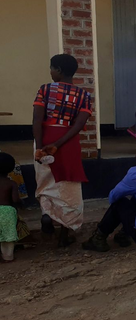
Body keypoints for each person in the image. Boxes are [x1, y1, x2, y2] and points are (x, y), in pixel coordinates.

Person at [33, 54, 92, 247]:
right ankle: (64, 234)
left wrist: (41, 146)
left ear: (58, 70)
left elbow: (37, 120)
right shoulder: (84, 96)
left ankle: (46, 217)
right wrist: (58, 144)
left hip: (44, 139)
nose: (50, 71)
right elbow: (78, 125)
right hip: (68, 144)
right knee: (68, 187)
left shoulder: (44, 90)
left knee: (46, 184)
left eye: (51, 68)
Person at [0, 153, 22, 263]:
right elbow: (15, 200)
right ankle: (8, 257)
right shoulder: (11, 183)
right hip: (7, 211)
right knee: (7, 235)